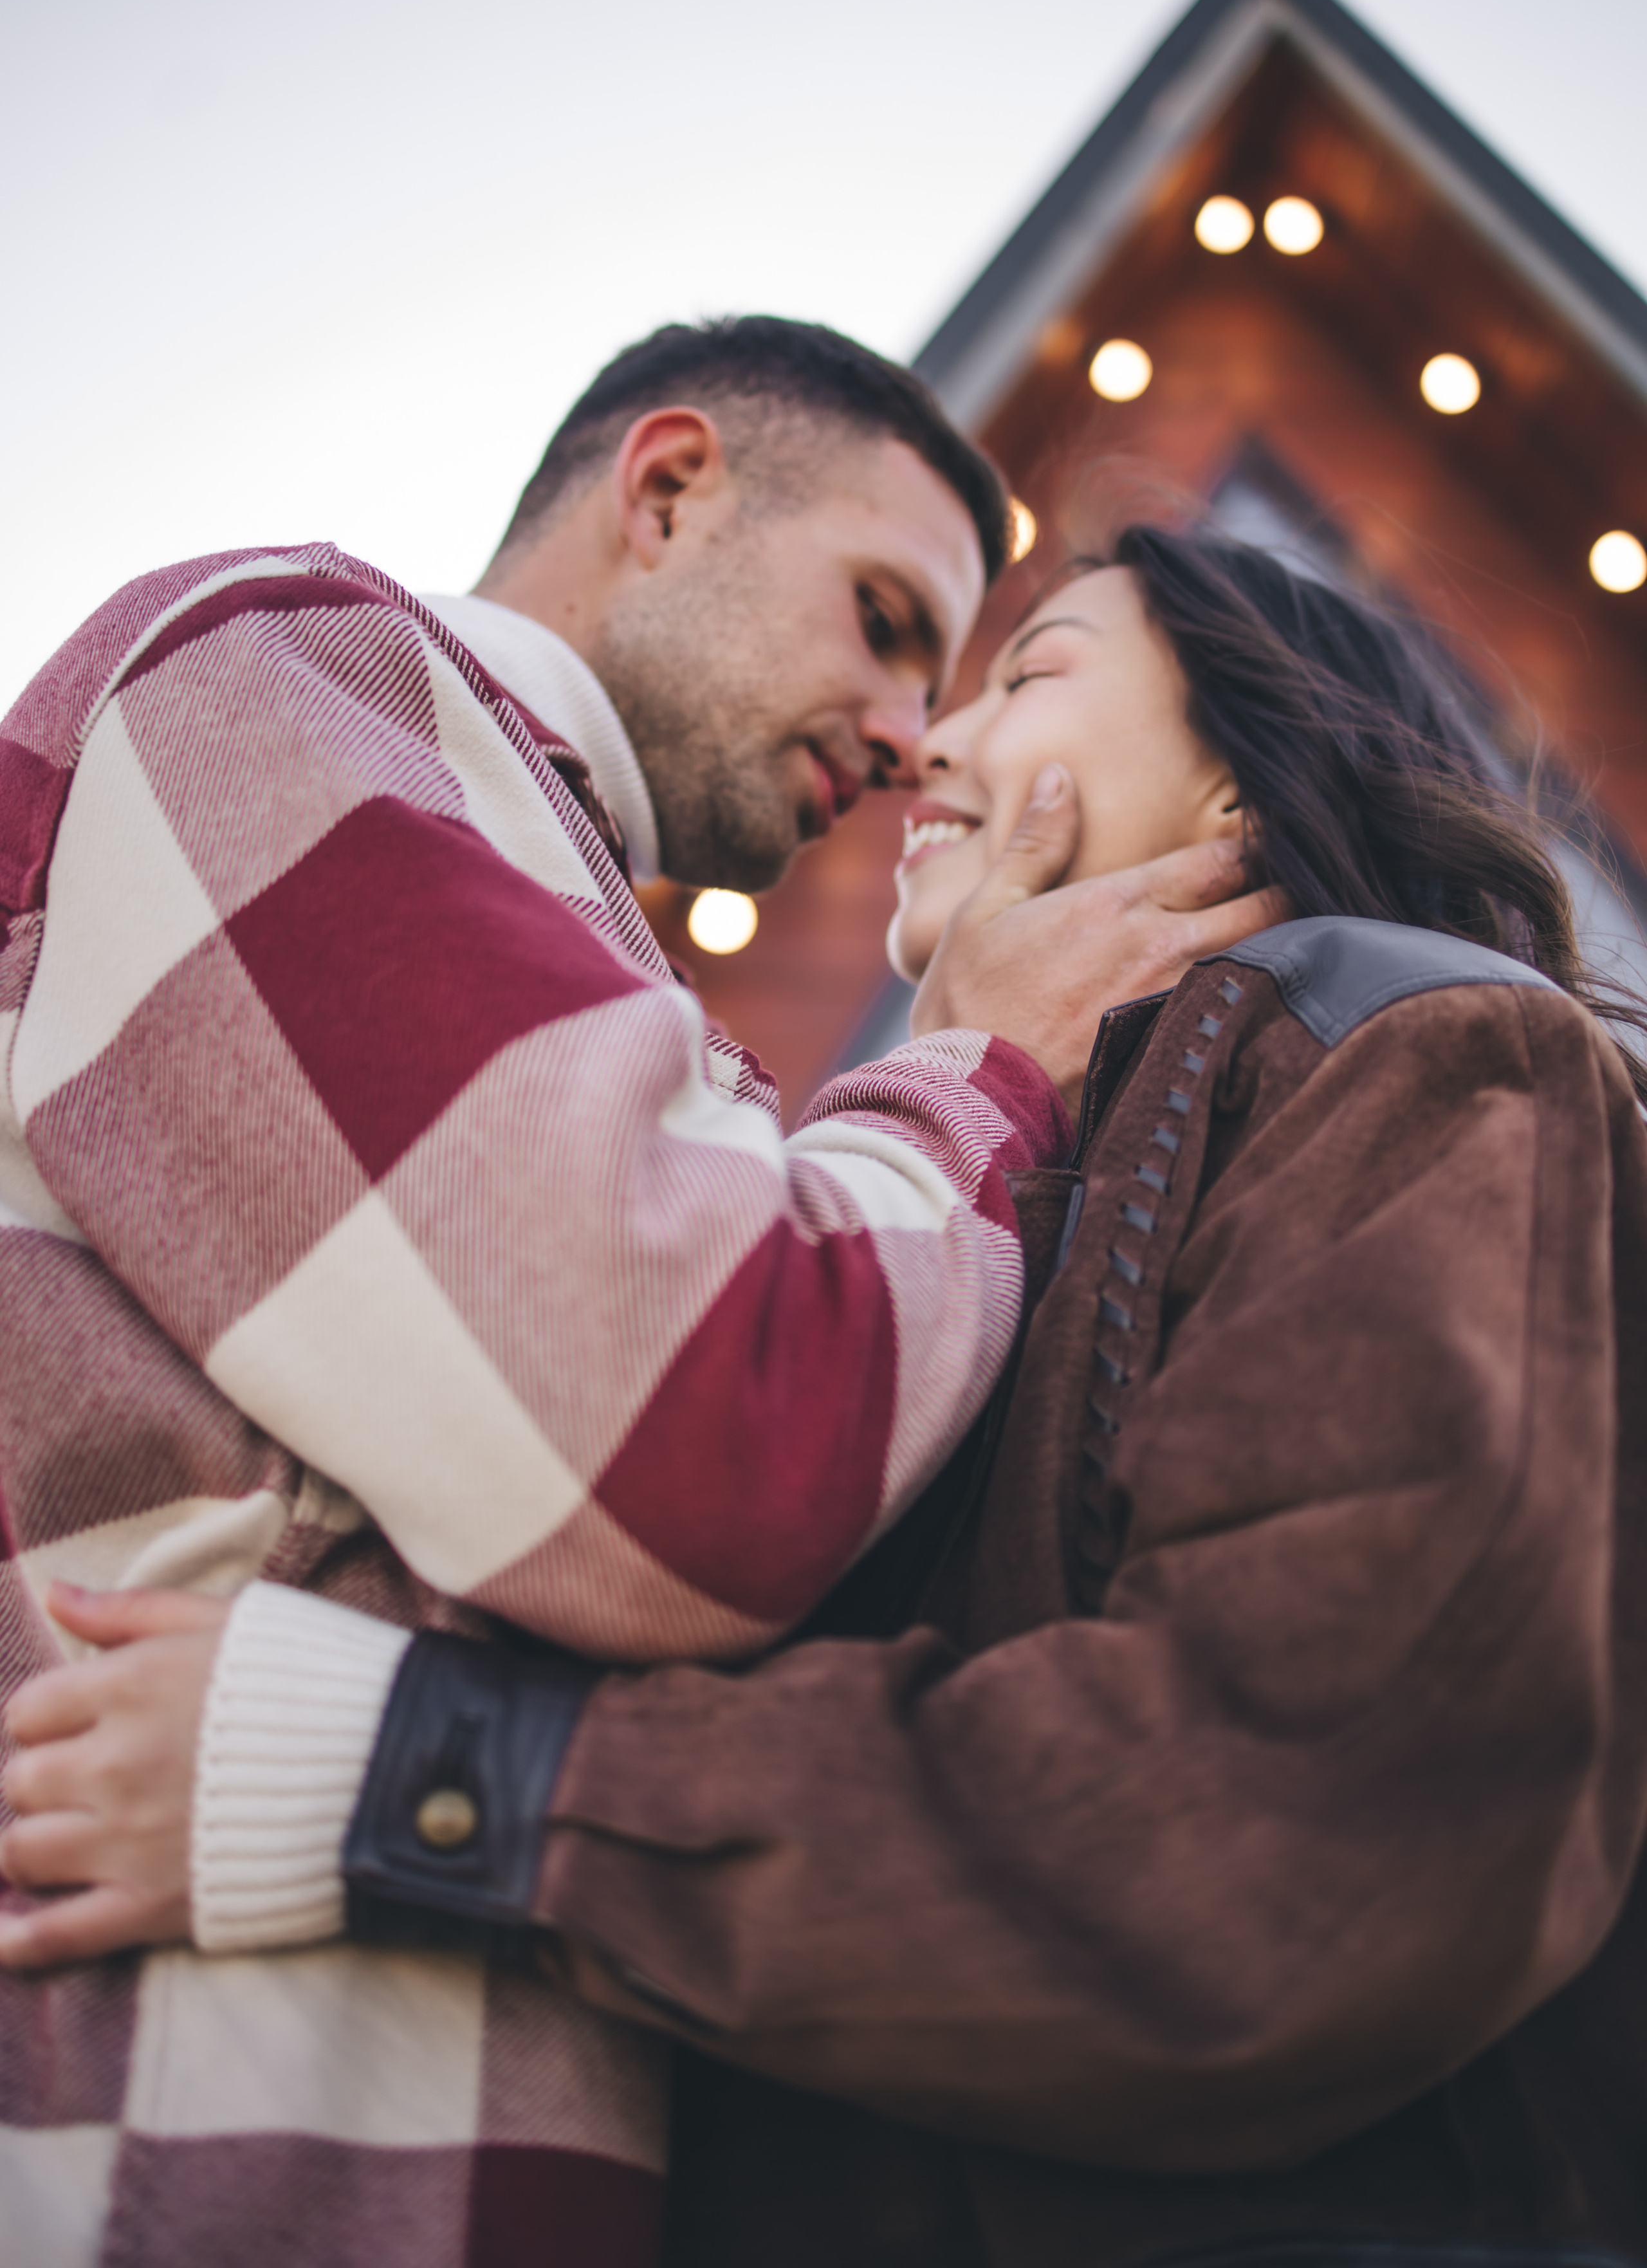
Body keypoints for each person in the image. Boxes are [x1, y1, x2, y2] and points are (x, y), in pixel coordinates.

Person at [12, 522, 1647, 2268]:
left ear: (1237, 783)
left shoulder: (1428, 1057)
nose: (931, 742)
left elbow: (1294, 1818)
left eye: (1030, 674)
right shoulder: (980, 1206)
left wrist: (410, 1772)